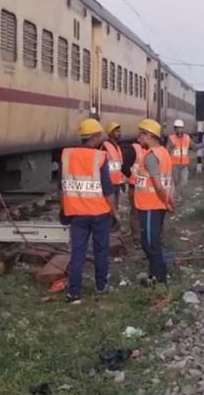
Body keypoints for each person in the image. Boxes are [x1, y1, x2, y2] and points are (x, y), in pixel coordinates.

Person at [60, 119, 118, 304]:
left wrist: (64, 209)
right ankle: (101, 286)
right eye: (99, 136)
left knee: (78, 252)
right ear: (94, 137)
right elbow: (108, 190)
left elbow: (61, 187)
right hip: (100, 214)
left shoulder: (67, 156)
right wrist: (114, 212)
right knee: (101, 251)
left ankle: (74, 292)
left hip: (77, 213)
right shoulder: (99, 158)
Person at [134, 118, 175, 285]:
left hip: (151, 206)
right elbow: (170, 181)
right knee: (150, 242)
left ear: (149, 136)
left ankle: (159, 279)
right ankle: (154, 275)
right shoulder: (163, 152)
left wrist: (167, 201)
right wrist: (169, 200)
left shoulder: (151, 157)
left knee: (151, 244)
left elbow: (158, 185)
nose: (138, 139)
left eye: (141, 135)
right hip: (155, 205)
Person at [101, 122, 126, 213]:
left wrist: (122, 182)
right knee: (109, 207)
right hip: (109, 182)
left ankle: (114, 224)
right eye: (117, 131)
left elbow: (119, 166)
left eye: (119, 131)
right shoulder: (105, 146)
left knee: (115, 206)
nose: (119, 134)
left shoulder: (117, 147)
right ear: (110, 133)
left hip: (116, 182)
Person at [167, 119, 191, 203]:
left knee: (184, 182)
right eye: (177, 128)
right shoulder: (171, 138)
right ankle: (176, 197)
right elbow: (167, 151)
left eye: (181, 128)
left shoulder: (187, 138)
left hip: (184, 165)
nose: (179, 130)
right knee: (176, 182)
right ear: (175, 129)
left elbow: (194, 147)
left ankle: (176, 196)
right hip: (174, 165)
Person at [127, 140, 145, 244]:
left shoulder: (151, 150)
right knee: (135, 212)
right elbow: (125, 165)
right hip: (135, 186)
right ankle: (137, 238)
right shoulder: (134, 149)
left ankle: (143, 236)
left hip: (145, 188)